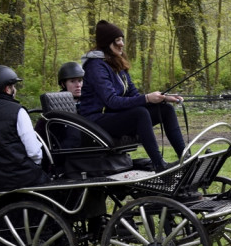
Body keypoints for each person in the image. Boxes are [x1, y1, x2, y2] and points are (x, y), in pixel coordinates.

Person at [79, 20, 185, 172]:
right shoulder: (96, 66)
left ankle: (185, 158)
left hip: (113, 116)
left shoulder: (116, 63)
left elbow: (133, 95)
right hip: (96, 120)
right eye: (117, 41)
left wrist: (162, 98)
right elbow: (112, 101)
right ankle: (159, 165)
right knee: (139, 113)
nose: (121, 44)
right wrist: (147, 98)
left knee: (166, 109)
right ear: (106, 43)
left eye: (121, 40)